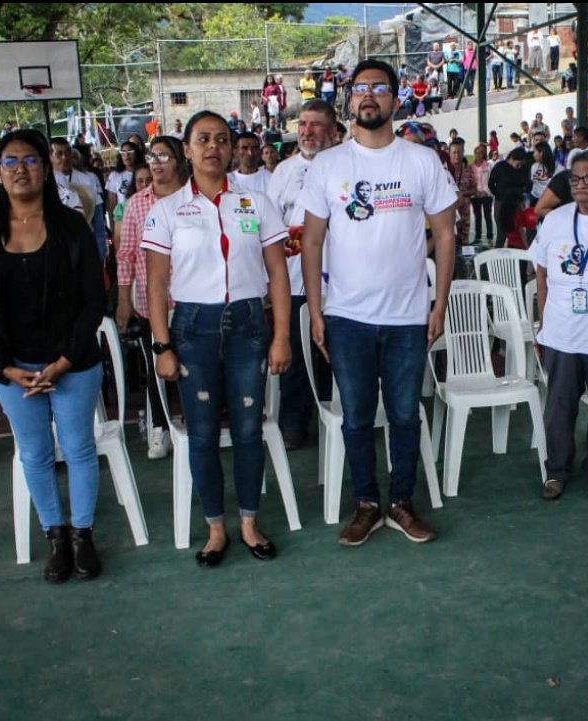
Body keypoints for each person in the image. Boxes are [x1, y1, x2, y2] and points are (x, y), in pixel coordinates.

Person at [300, 59, 457, 546]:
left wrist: (439, 303)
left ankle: (402, 504)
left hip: (409, 317)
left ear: (396, 98)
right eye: (360, 88)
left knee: (407, 414)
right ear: (349, 98)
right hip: (347, 318)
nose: (369, 96)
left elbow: (447, 235)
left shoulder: (421, 161)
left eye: (379, 88)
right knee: (357, 416)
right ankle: (367, 503)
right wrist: (318, 309)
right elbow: (310, 242)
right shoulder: (328, 165)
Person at [142, 110, 292, 567]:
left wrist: (281, 334)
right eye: (202, 139)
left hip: (248, 325)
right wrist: (163, 346)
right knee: (203, 434)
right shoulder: (166, 211)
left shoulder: (256, 204)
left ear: (231, 149)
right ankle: (214, 529)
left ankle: (248, 522)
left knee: (249, 430)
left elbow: (277, 275)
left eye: (222, 139)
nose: (213, 147)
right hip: (192, 330)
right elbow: (155, 285)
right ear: (186, 149)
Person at [0, 129, 106, 583]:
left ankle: (83, 536)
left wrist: (63, 361)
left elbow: (92, 300)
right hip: (13, 369)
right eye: (10, 162)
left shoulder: (71, 228)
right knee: (35, 454)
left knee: (80, 449)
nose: (20, 169)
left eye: (30, 160)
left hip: (72, 363)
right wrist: (5, 368)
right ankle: (56, 538)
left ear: (46, 169)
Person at [531, 149, 588, 501]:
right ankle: (557, 470)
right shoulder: (555, 220)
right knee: (560, 402)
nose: (581, 185)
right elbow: (541, 269)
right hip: (562, 328)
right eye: (575, 179)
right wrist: (542, 317)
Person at [266, 98, 337, 451]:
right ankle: (295, 423)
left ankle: (337, 413)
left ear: (332, 131)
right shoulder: (283, 171)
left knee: (335, 354)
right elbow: (271, 226)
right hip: (294, 280)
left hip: (339, 281)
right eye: (303, 124)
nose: (307, 131)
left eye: (315, 124)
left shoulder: (346, 164)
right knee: (295, 355)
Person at [115, 136, 188, 461]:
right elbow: (127, 254)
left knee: (193, 369)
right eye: (152, 156)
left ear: (178, 161)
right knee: (156, 366)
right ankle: (160, 428)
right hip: (151, 303)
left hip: (192, 302)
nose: (157, 163)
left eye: (164, 156)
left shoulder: (194, 197)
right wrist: (123, 300)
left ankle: (193, 425)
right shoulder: (136, 204)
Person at [50, 137, 106, 259]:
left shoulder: (88, 179)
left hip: (84, 242)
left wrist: (100, 252)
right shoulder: (44, 183)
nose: (65, 157)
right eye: (59, 154)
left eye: (67, 152)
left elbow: (98, 221)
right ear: (50, 157)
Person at [489, 147, 531, 249]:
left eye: (521, 164)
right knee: (502, 232)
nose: (519, 166)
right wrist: (499, 195)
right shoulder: (500, 166)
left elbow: (527, 184)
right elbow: (491, 184)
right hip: (501, 202)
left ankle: (516, 255)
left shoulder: (523, 169)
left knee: (518, 232)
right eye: (518, 163)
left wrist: (522, 193)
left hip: (517, 202)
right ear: (512, 158)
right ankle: (497, 257)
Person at [227, 131, 271, 197]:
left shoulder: (271, 179)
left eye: (255, 148)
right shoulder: (227, 181)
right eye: (245, 148)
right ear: (235, 151)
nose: (250, 153)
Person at [470, 143, 494, 243]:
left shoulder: (489, 166)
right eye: (477, 153)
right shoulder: (470, 167)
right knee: (477, 216)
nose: (478, 155)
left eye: (481, 153)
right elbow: (470, 181)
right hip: (475, 195)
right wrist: (475, 192)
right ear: (474, 154)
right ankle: (478, 237)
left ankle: (490, 237)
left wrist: (486, 192)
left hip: (486, 195)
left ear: (483, 154)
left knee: (488, 216)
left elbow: (492, 181)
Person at [530, 141, 562, 206]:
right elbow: (533, 181)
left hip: (549, 200)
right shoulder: (534, 166)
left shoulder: (559, 168)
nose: (533, 154)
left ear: (541, 153)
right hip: (534, 198)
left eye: (535, 152)